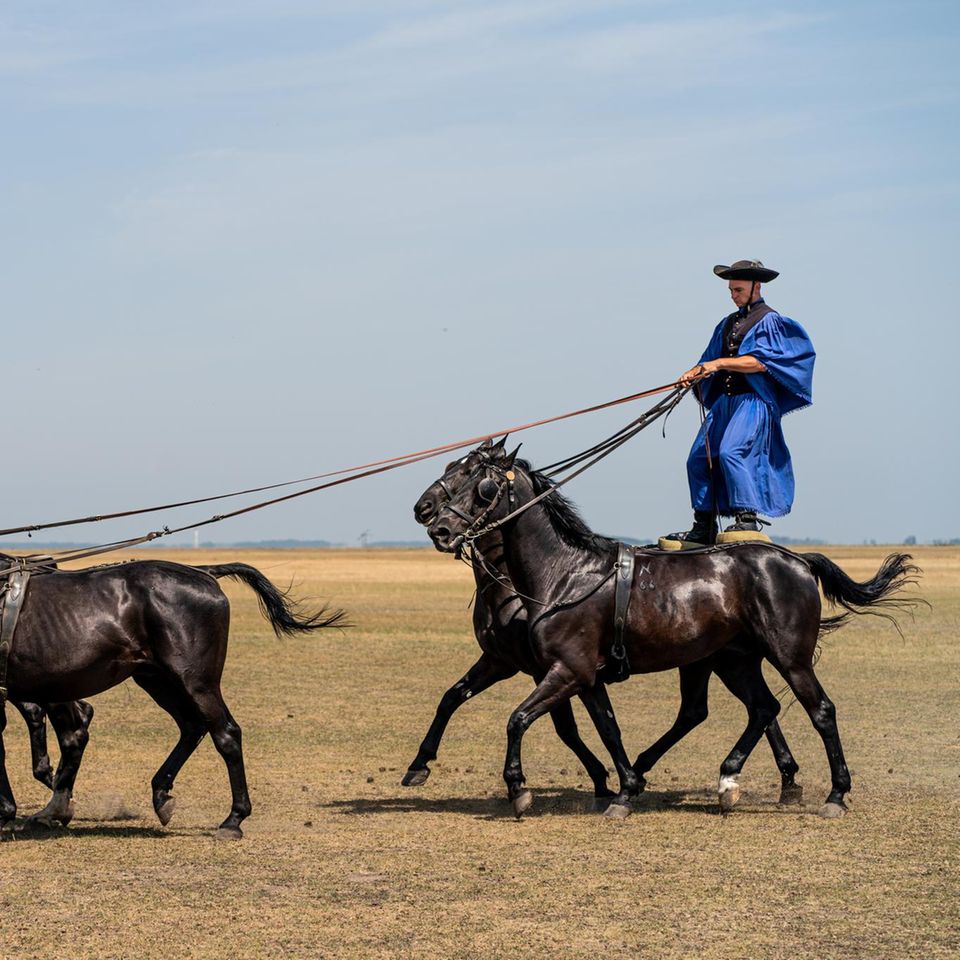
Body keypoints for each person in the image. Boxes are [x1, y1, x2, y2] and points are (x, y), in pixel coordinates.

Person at [659, 259, 815, 550]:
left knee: (732, 452)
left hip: (753, 403)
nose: (733, 294)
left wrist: (716, 364)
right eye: (731, 290)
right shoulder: (728, 324)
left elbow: (759, 362)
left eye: (738, 289)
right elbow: (708, 358)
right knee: (697, 458)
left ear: (757, 286)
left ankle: (747, 519)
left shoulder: (770, 321)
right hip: (726, 405)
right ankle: (703, 525)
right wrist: (694, 373)